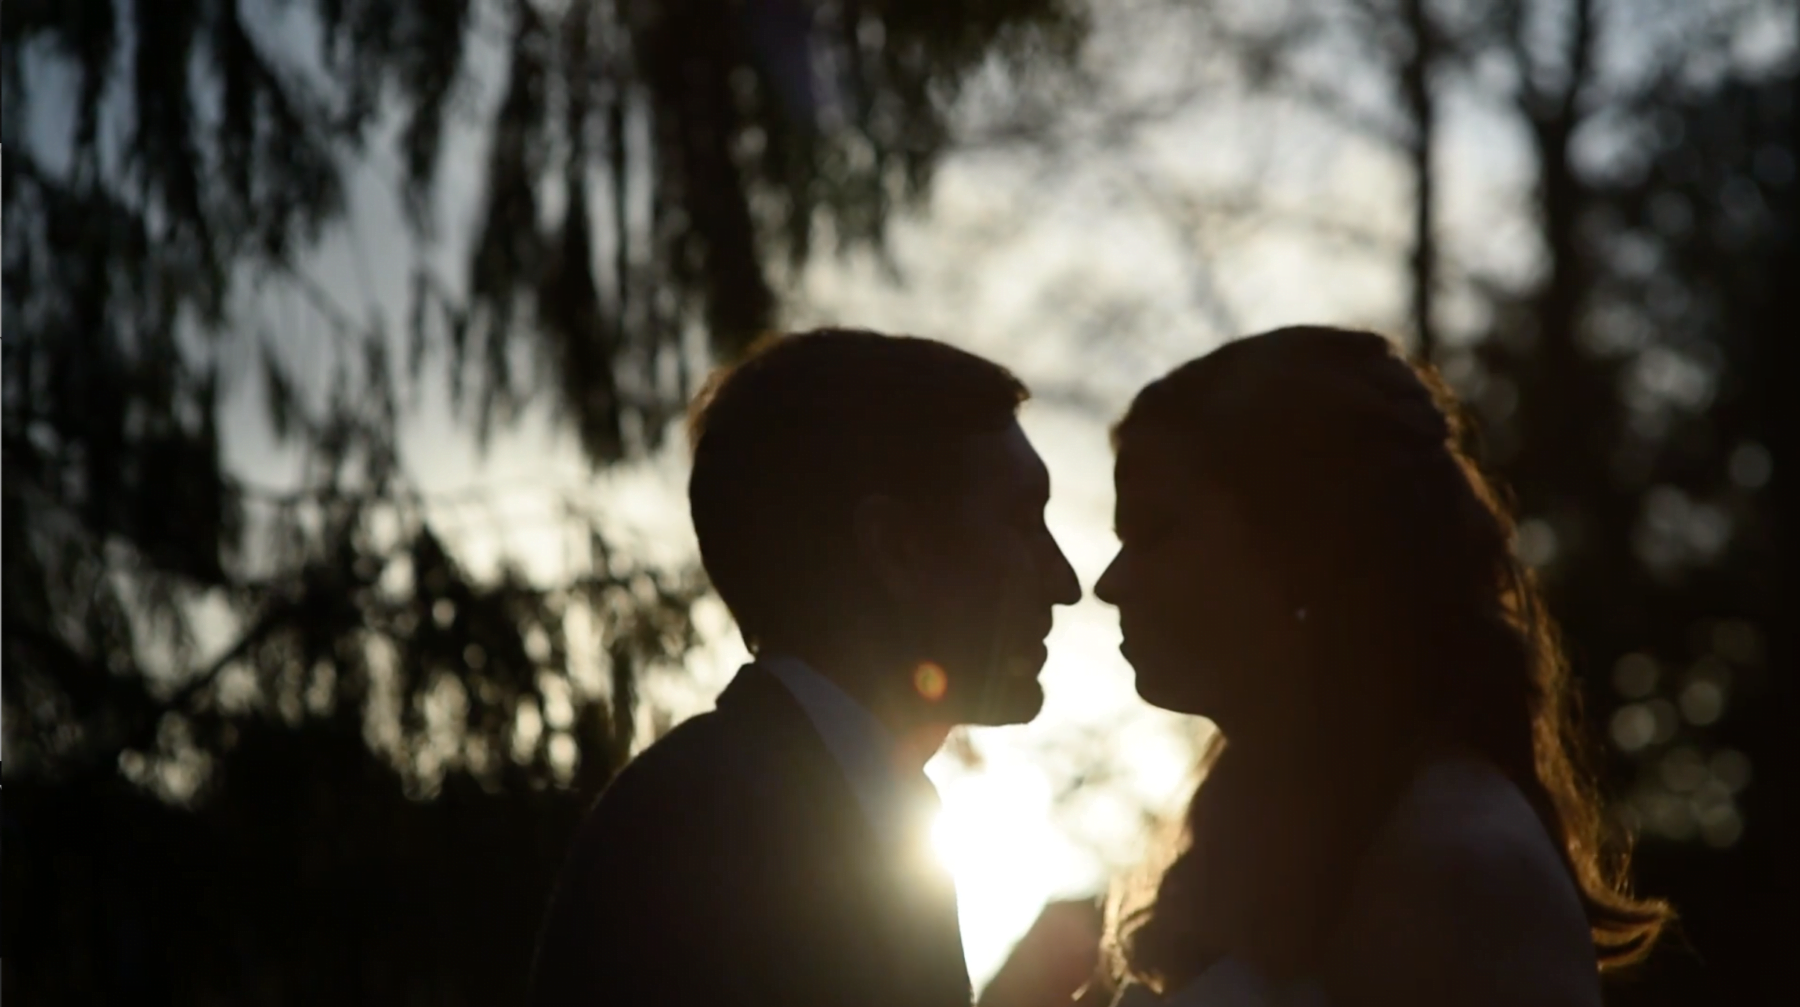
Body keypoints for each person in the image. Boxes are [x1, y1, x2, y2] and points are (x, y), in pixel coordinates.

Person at [1092, 327, 1672, 1007]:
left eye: (1158, 531)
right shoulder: (1298, 837)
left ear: (1309, 545)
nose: (1110, 583)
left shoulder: (1453, 862)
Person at [528, 328, 1083, 1007]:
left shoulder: (788, 806)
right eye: (1024, 521)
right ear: (898, 548)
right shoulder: (715, 832)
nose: (1064, 579)